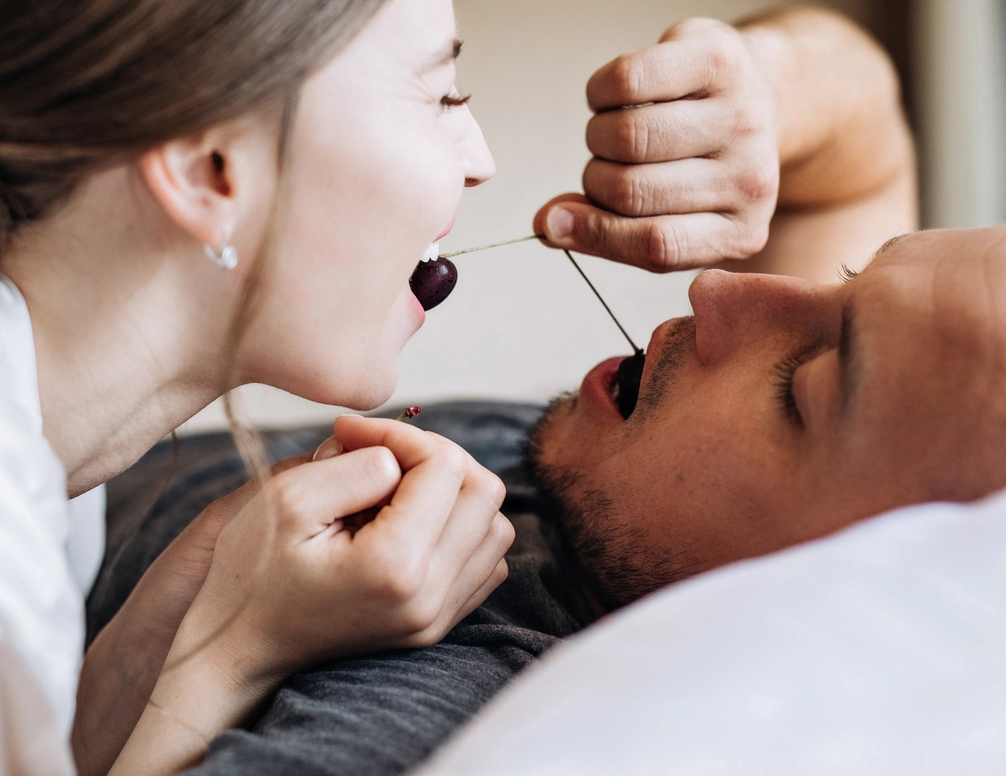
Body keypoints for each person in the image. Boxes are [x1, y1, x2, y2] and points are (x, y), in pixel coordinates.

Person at [85, 7, 941, 776]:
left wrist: (236, 650)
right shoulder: (643, 470)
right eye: (849, 277)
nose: (716, 288)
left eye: (800, 389)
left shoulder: (434, 727)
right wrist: (762, 85)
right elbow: (857, 154)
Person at [0, 2, 517, 775]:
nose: (481, 160)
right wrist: (239, 654)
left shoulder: (9, 445)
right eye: (442, 94)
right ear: (208, 168)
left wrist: (188, 616)